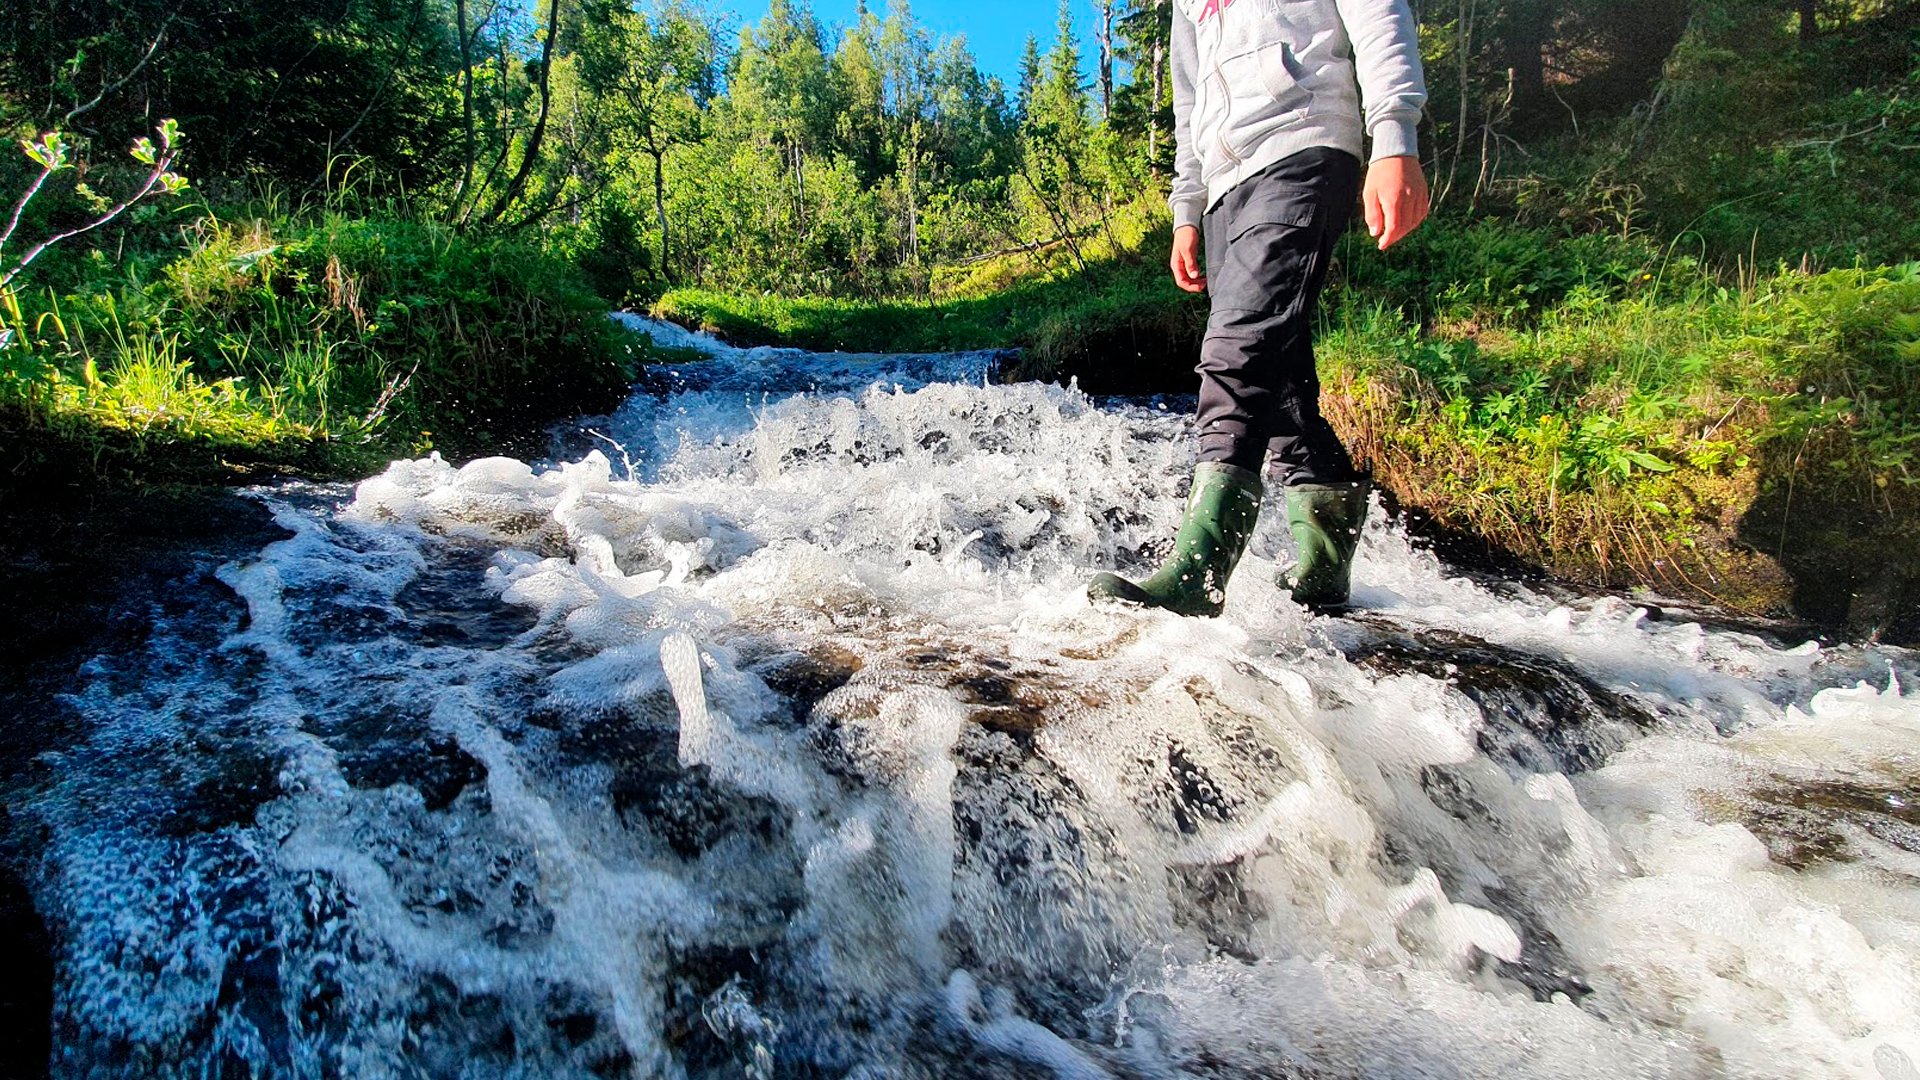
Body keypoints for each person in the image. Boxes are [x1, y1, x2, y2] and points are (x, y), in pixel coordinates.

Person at [1088, 0, 1430, 616]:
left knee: (1237, 348)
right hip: (1222, 188)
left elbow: (1379, 12)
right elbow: (1188, 105)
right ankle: (1325, 569)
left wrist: (1394, 137)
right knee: (1282, 376)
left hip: (1303, 146)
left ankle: (1200, 575)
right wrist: (1186, 212)